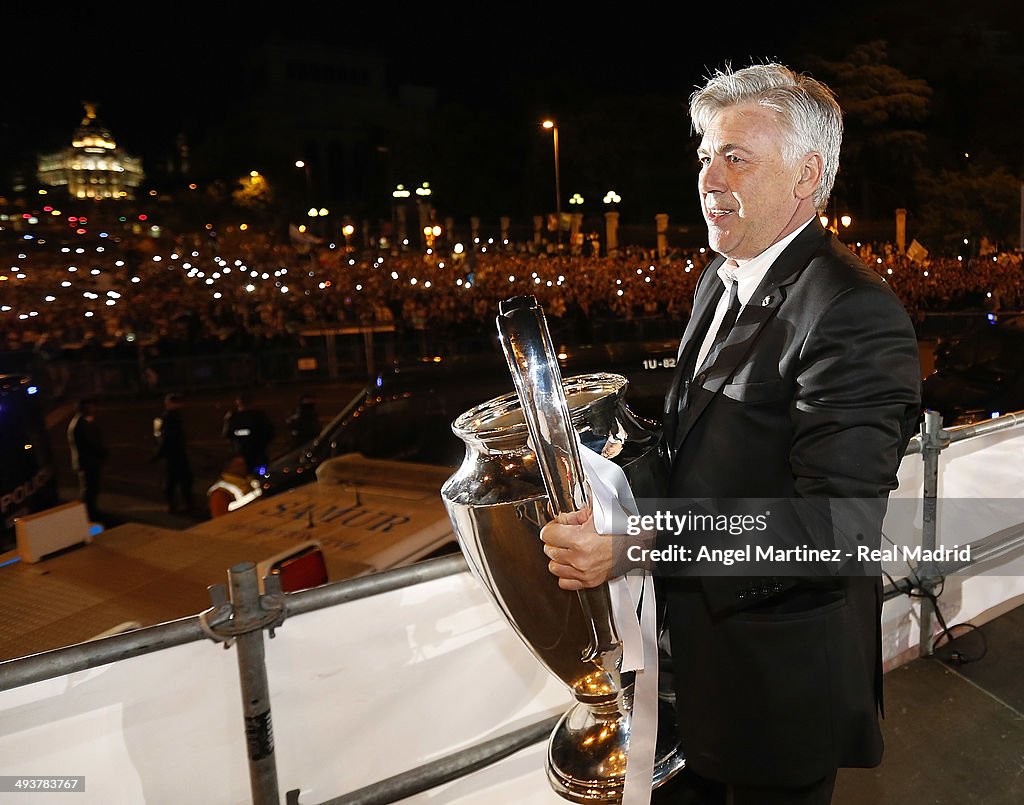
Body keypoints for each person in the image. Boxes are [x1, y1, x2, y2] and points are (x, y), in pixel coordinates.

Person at [539, 63, 922, 804]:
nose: (709, 176)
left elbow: (835, 525)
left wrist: (630, 545)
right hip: (695, 664)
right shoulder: (720, 277)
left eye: (735, 157)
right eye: (705, 156)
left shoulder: (854, 314)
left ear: (806, 175)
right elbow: (698, 448)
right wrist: (603, 472)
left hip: (777, 689)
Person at [151, 392, 194, 513]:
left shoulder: (168, 417)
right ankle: (185, 504)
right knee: (182, 480)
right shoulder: (173, 417)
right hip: (177, 454)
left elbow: (164, 439)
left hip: (173, 455)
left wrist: (158, 454)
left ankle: (174, 505)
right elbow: (168, 438)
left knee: (173, 481)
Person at [67, 397, 108, 523]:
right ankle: (88, 513)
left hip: (88, 461)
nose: (92, 409)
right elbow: (89, 444)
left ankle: (91, 511)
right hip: (87, 462)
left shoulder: (82, 422)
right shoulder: (80, 425)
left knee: (91, 488)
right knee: (89, 489)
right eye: (89, 407)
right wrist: (102, 452)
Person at [221, 393, 275, 475]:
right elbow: (270, 433)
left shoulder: (234, 417)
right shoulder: (259, 416)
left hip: (245, 454)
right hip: (255, 454)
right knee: (259, 476)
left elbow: (227, 435)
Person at [207, 453, 260, 518]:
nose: (244, 467)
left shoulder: (250, 479)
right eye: (239, 465)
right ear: (229, 468)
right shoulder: (220, 491)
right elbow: (220, 518)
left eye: (244, 464)